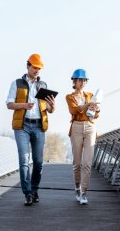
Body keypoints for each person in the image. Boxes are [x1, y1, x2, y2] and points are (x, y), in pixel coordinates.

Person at [6, 53, 56, 206]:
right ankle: (27, 193)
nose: (37, 71)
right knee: (24, 161)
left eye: (39, 69)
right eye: (35, 67)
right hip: (22, 126)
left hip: (39, 126)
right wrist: (24, 105)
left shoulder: (43, 86)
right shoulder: (17, 83)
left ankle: (34, 189)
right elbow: (9, 104)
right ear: (28, 66)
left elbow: (49, 109)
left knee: (39, 162)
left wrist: (53, 106)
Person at [65, 69, 100, 205]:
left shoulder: (90, 95)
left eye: (84, 80)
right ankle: (77, 187)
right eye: (80, 80)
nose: (82, 82)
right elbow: (74, 110)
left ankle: (84, 192)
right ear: (74, 81)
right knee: (77, 163)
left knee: (87, 163)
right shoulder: (69, 97)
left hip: (90, 127)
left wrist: (96, 110)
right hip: (76, 128)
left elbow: (95, 115)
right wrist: (88, 105)